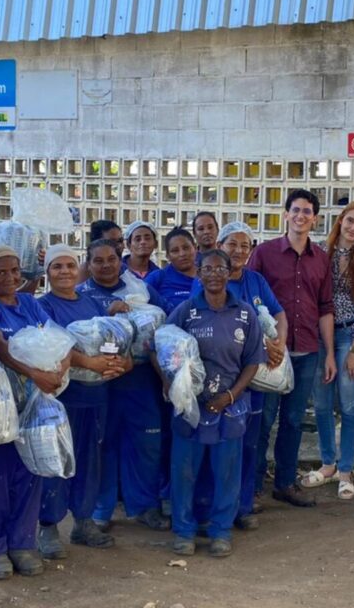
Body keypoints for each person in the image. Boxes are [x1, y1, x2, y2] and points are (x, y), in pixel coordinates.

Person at [0, 245, 70, 581]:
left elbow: (60, 340)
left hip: (33, 401)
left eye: (15, 271)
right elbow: (0, 345)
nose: (10, 278)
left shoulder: (30, 303)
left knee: (30, 471)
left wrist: (58, 372)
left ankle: (22, 543)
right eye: (0, 272)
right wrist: (36, 374)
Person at [165, 249, 265, 558]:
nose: (213, 274)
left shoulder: (246, 314)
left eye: (219, 268)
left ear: (229, 271)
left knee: (227, 473)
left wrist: (231, 395)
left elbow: (252, 362)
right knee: (184, 471)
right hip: (191, 407)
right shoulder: (185, 311)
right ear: (198, 272)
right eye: (206, 269)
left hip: (230, 407)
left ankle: (221, 530)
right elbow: (161, 349)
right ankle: (184, 530)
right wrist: (173, 385)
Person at [36, 245, 131, 558]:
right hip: (63, 397)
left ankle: (83, 521)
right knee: (57, 459)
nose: (64, 272)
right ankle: (48, 526)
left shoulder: (90, 302)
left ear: (78, 270)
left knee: (90, 460)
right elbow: (51, 346)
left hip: (96, 396)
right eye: (56, 267)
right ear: (47, 273)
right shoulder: (42, 306)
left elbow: (107, 340)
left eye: (68, 265)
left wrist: (116, 362)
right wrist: (88, 364)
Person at [191, 222, 287, 529]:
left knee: (248, 443)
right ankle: (207, 511)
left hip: (251, 379)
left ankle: (241, 508)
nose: (240, 251)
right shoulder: (209, 279)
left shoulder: (256, 280)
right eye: (233, 244)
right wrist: (262, 344)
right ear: (220, 244)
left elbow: (279, 313)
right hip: (216, 378)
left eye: (246, 246)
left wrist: (279, 343)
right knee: (211, 445)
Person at [248, 189, 337, 508]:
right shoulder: (264, 253)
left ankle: (285, 483)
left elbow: (326, 306)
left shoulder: (321, 259)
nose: (301, 216)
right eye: (295, 210)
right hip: (272, 352)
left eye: (307, 211)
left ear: (315, 218)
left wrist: (328, 353)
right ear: (285, 214)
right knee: (263, 420)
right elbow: (251, 300)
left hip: (308, 351)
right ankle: (253, 486)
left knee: (294, 419)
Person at [77, 239, 172, 532]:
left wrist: (143, 359)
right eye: (98, 260)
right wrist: (108, 319)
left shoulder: (139, 289)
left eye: (112, 259)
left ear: (121, 260)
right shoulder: (80, 295)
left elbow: (166, 322)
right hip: (98, 385)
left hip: (139, 382)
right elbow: (74, 337)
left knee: (147, 444)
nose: (106, 265)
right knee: (101, 446)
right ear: (88, 264)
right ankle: (100, 510)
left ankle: (145, 506)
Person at [302, 200, 354, 500]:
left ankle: (346, 469)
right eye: (350, 221)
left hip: (351, 336)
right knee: (321, 404)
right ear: (340, 220)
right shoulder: (320, 252)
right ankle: (328, 464)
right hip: (321, 335)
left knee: (348, 405)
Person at [147, 228, 199, 313]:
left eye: (186, 248)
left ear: (195, 248)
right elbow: (136, 298)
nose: (182, 254)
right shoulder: (158, 278)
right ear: (168, 256)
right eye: (175, 251)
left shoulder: (208, 276)